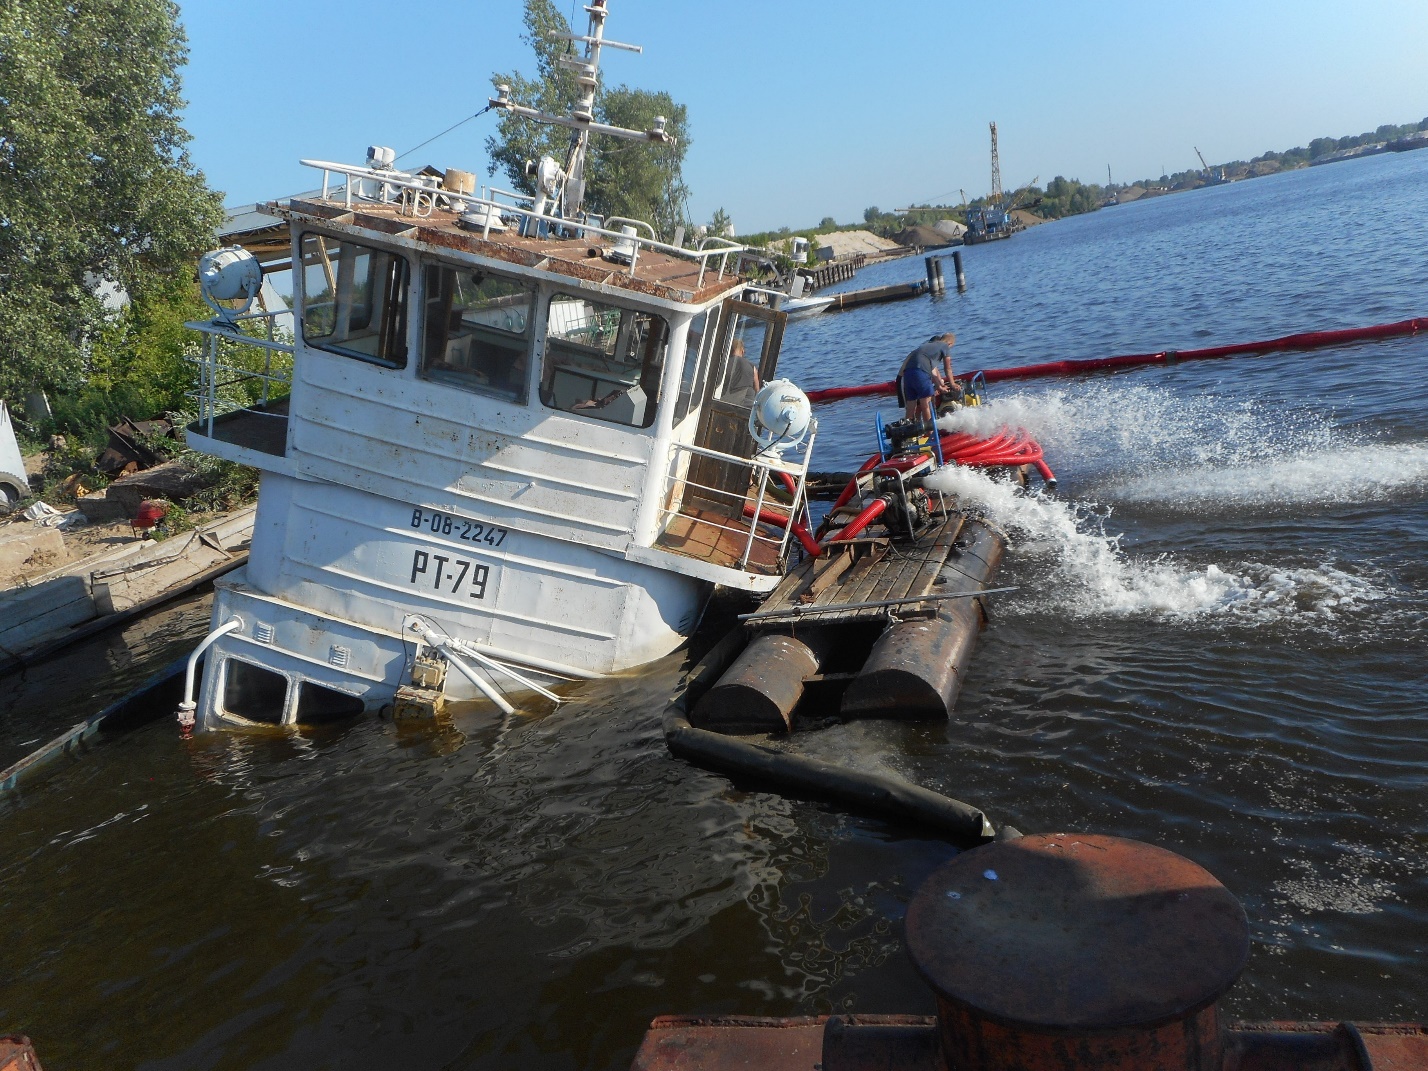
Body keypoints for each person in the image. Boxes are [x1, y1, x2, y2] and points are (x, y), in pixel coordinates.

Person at [897, 332, 956, 422]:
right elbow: (947, 368)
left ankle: (909, 427)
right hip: (920, 372)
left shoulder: (926, 347)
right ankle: (930, 428)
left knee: (911, 405)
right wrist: (953, 384)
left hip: (908, 373)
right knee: (926, 404)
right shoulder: (945, 346)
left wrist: (939, 387)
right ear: (950, 343)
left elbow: (932, 370)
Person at [721, 339, 761, 406]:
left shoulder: (723, 365)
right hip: (748, 404)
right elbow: (757, 390)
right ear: (742, 351)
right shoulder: (752, 366)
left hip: (726, 403)